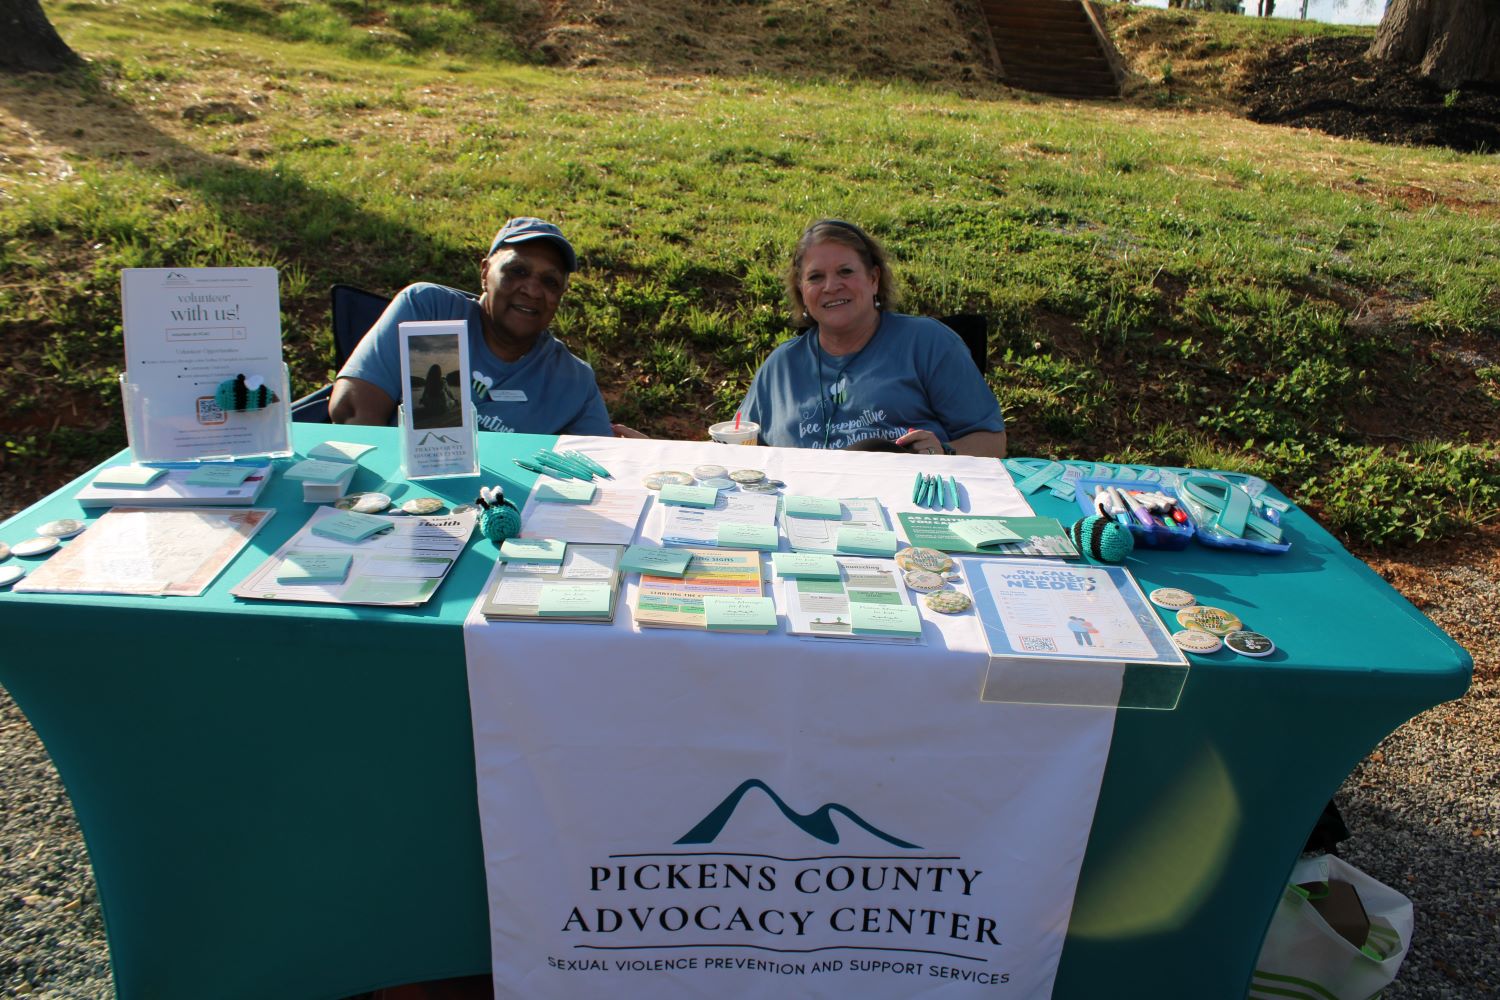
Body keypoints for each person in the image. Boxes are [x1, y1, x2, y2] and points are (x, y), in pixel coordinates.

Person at [735, 219, 1007, 457]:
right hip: (801, 509)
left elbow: (992, 441)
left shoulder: (929, 343)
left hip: (904, 505)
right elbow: (737, 444)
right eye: (816, 277)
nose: (831, 286)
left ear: (874, 278)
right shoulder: (780, 366)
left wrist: (943, 454)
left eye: (846, 271)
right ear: (802, 291)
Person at [330, 217, 614, 436]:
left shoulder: (573, 381)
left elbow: (601, 466)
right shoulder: (430, 311)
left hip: (507, 508)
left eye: (550, 282)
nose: (532, 290)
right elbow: (351, 409)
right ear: (485, 272)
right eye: (517, 271)